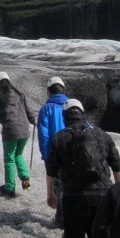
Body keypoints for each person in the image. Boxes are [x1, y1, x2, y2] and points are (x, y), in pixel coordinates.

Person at [45, 99, 120, 238]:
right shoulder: (101, 134)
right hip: (102, 196)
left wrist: (51, 194)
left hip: (73, 197)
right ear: (82, 113)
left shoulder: (60, 137)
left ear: (65, 116)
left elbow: (51, 170)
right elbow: (116, 164)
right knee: (101, 237)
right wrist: (118, 191)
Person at [0, 71, 36, 198]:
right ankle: (25, 178)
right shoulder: (19, 94)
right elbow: (28, 111)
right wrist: (33, 120)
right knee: (18, 154)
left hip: (10, 131)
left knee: (9, 158)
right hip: (24, 131)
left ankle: (10, 187)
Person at [38, 76, 69, 225]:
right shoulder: (72, 106)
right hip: (73, 152)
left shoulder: (47, 109)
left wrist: (46, 154)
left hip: (54, 152)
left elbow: (44, 134)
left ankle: (61, 217)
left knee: (59, 185)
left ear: (49, 91)